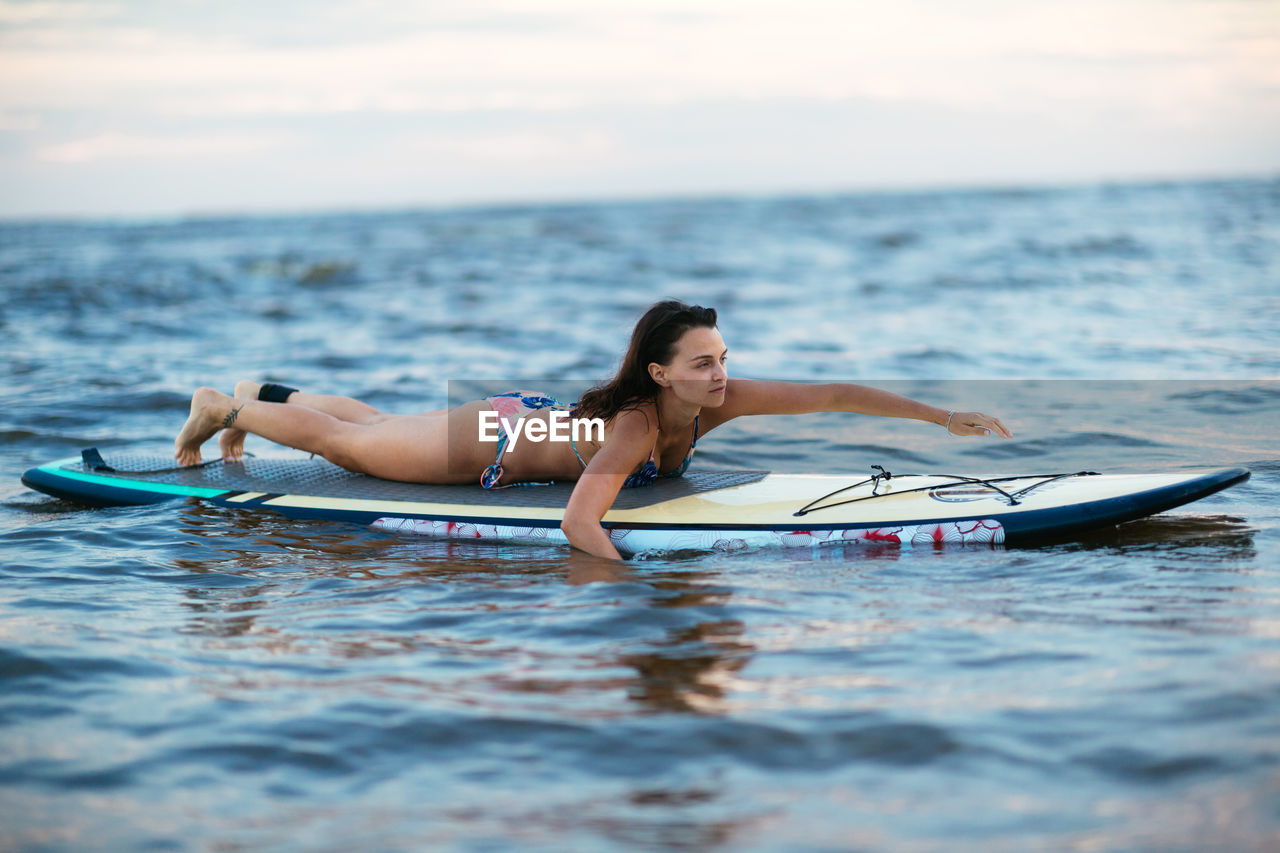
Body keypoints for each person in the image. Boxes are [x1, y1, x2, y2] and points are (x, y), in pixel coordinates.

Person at [174, 300, 1011, 560]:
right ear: (658, 374)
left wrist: (941, 416)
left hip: (524, 419)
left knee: (383, 424)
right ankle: (227, 407)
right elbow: (580, 521)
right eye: (700, 364)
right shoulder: (639, 428)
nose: (718, 374)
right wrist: (628, 583)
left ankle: (265, 388)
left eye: (722, 358)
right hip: (488, 447)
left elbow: (832, 394)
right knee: (346, 447)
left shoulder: (720, 400)